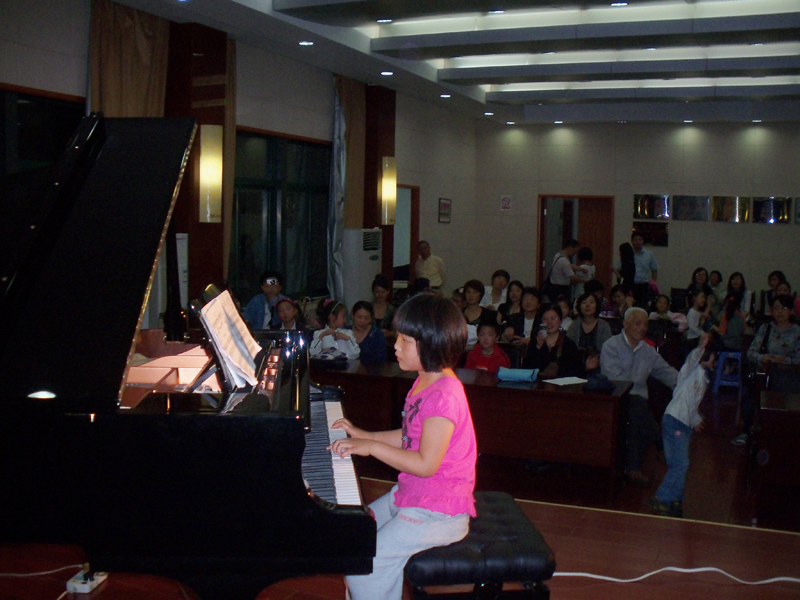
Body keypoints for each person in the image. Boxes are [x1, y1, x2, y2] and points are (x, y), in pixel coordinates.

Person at [329, 293, 476, 600]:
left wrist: (371, 448)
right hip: (415, 496)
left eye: (405, 340)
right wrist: (364, 436)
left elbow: (425, 464)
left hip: (439, 512)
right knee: (354, 535)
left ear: (431, 344)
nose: (395, 345)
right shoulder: (425, 380)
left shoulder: (444, 397)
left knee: (367, 566)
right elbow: (410, 435)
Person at [601, 307, 678, 487]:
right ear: (625, 324)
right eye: (638, 323)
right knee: (635, 404)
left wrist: (686, 385)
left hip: (638, 403)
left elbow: (666, 372)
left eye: (645, 324)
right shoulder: (611, 345)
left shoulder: (648, 350)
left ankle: (633, 469)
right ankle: (658, 440)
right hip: (616, 398)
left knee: (636, 411)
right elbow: (614, 379)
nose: (642, 328)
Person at [650, 336, 716, 518]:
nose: (715, 361)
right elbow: (691, 360)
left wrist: (695, 420)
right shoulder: (689, 372)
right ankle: (662, 498)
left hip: (684, 424)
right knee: (681, 463)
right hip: (675, 420)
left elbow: (691, 404)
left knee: (678, 463)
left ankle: (676, 499)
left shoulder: (702, 379)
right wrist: (700, 348)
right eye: (713, 357)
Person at [734, 294, 800, 446]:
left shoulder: (797, 332)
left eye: (784, 308)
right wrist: (763, 358)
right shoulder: (766, 328)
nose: (780, 312)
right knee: (749, 402)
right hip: (764, 378)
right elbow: (751, 353)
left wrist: (786, 361)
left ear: (791, 311)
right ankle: (748, 432)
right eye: (776, 308)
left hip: (790, 380)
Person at [521, 304, 584, 378]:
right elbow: (526, 370)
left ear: (560, 321)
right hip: (538, 383)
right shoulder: (535, 342)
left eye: (553, 318)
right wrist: (538, 347)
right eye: (545, 319)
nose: (549, 322)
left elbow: (576, 372)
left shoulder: (568, 344)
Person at [566, 292, 612, 373]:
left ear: (597, 306)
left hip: (600, 366)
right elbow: (568, 348)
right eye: (584, 302)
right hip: (576, 365)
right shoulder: (574, 325)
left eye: (591, 302)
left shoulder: (604, 326)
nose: (587, 305)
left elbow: (607, 351)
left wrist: (596, 361)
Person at [618, 232, 658, 307]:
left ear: (643, 241)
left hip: (645, 286)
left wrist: (653, 283)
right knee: (631, 306)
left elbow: (654, 269)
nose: (638, 242)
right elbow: (619, 268)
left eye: (640, 239)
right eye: (636, 240)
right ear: (632, 241)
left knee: (644, 307)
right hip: (631, 286)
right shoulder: (628, 253)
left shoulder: (649, 254)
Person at [545, 238, 583, 303]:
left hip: (553, 285)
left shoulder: (558, 255)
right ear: (570, 248)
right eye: (575, 250)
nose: (575, 253)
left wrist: (580, 269)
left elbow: (568, 266)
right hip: (560, 288)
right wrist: (586, 280)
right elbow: (573, 277)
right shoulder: (564, 261)